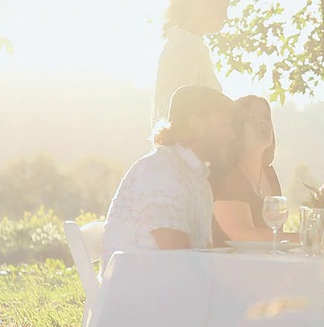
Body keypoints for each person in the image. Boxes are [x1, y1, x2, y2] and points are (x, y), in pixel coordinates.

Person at [101, 86, 235, 270]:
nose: (232, 135)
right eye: (224, 125)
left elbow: (200, 256)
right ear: (197, 125)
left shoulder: (197, 177)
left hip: (168, 286)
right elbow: (178, 256)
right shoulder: (162, 171)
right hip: (141, 293)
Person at [210, 95, 297, 246]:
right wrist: (310, 238)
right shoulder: (225, 173)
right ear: (236, 128)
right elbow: (244, 234)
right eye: (252, 118)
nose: (263, 122)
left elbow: (276, 234)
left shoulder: (269, 174)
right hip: (228, 266)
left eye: (266, 117)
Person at [152, 0, 230, 135]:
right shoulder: (182, 49)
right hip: (185, 150)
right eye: (220, 6)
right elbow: (178, 117)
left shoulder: (192, 47)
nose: (225, 17)